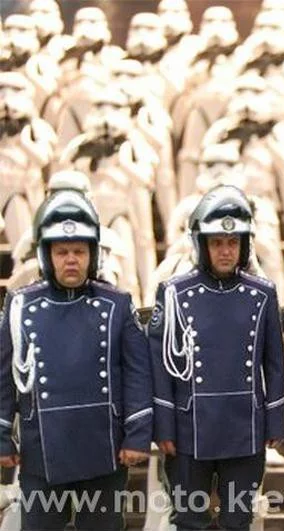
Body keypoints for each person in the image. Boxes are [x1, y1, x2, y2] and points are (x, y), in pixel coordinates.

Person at [0, 190, 152, 530]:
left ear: (93, 254)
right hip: (41, 454)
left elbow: (138, 375)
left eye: (79, 251)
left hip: (105, 452)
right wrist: (1, 435)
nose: (71, 259)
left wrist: (137, 435)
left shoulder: (117, 304)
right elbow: (3, 377)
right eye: (62, 251)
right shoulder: (20, 306)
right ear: (46, 255)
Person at [149, 185, 284, 531]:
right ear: (201, 244)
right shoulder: (174, 292)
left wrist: (275, 420)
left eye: (233, 242)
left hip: (245, 426)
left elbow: (274, 363)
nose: (225, 251)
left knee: (238, 519)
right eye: (216, 243)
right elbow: (160, 366)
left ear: (244, 245)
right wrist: (163, 425)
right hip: (188, 429)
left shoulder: (262, 293)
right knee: (188, 519)